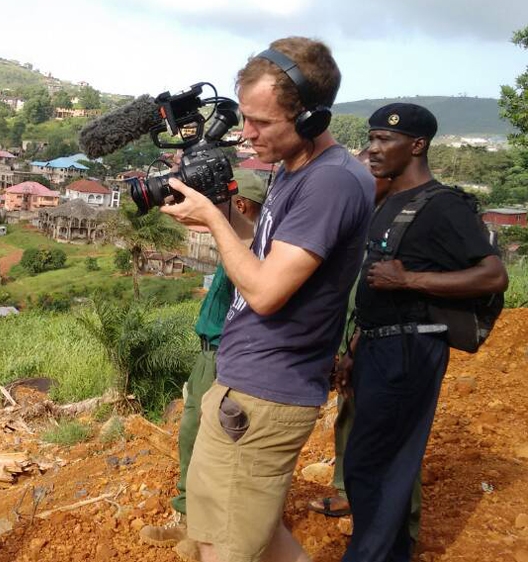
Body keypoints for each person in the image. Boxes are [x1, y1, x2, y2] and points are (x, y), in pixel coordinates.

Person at [160, 36, 374, 562]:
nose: (246, 134)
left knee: (227, 550)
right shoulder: (293, 168)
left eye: (261, 122)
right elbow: (258, 253)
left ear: (310, 119)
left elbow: (265, 291)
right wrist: (217, 208)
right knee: (247, 536)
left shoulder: (331, 184)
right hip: (244, 383)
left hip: (266, 394)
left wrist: (210, 220)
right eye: (244, 118)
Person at [341, 103, 507, 562]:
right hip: (380, 345)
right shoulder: (390, 201)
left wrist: (410, 279)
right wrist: (358, 343)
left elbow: (493, 276)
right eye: (371, 138)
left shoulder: (443, 206)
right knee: (365, 464)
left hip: (410, 349)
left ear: (417, 145)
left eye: (384, 140)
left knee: (377, 467)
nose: (373, 149)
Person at [139, 169, 266, 556]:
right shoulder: (242, 245)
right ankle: (189, 520)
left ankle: (206, 531)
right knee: (192, 435)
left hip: (225, 356)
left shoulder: (252, 250)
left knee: (207, 441)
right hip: (210, 352)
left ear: (238, 205)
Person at [308, 148, 424, 545]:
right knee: (351, 422)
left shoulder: (404, 220)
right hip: (358, 340)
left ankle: (398, 530)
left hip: (393, 347)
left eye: (365, 176)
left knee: (391, 438)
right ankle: (352, 497)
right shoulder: (362, 219)